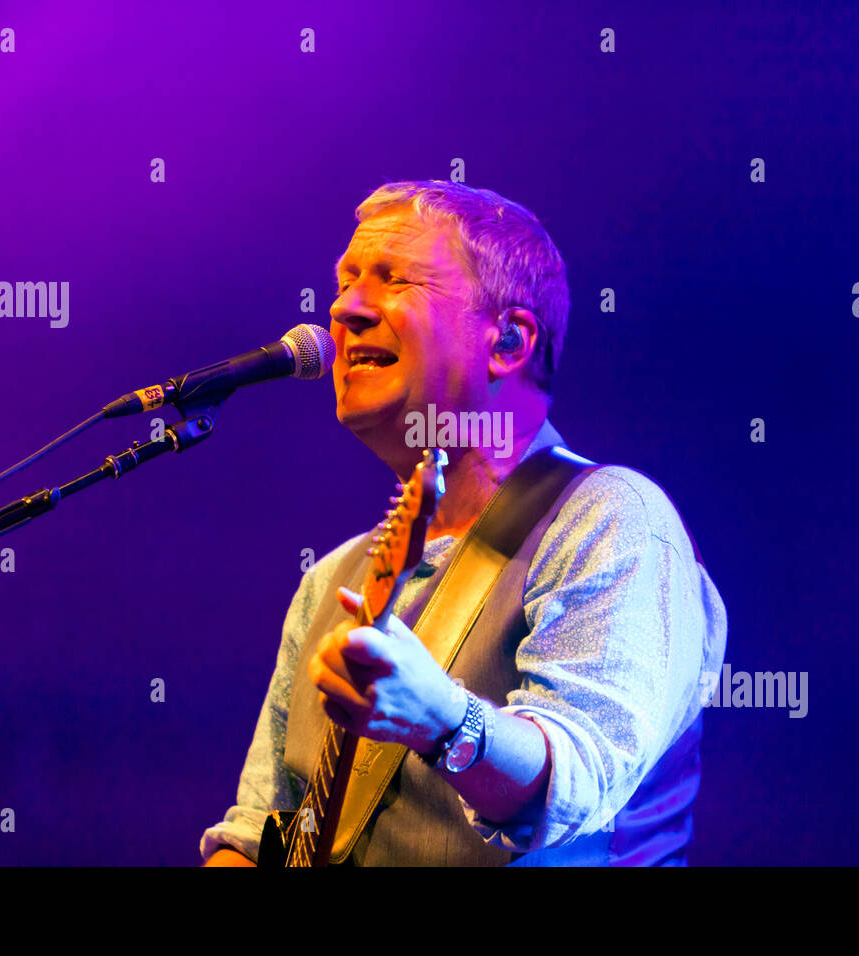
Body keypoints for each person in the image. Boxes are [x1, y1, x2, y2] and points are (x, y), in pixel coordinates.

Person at [201, 180, 728, 866]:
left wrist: (444, 720)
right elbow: (262, 830)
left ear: (508, 339)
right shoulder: (330, 581)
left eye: (393, 279)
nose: (344, 308)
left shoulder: (609, 517)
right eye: (346, 281)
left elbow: (580, 778)